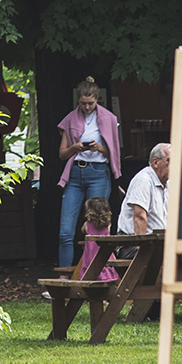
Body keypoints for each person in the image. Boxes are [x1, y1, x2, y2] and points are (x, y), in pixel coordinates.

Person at [56, 77, 121, 268]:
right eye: (82, 103)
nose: (86, 107)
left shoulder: (108, 118)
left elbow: (114, 153)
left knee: (97, 226)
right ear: (78, 101)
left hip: (98, 173)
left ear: (97, 100)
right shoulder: (70, 119)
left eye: (90, 103)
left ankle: (97, 272)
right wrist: (76, 147)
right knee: (65, 232)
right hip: (75, 173)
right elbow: (61, 154)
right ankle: (64, 277)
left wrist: (99, 148)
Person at [118, 143, 170, 236]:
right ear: (155, 162)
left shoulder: (169, 183)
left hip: (159, 241)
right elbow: (139, 217)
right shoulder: (143, 180)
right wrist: (142, 248)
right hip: (133, 242)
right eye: (170, 161)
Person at [74, 196, 119, 281]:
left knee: (90, 266)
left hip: (91, 255)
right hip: (104, 254)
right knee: (106, 263)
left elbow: (83, 231)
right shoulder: (107, 225)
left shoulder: (87, 225)